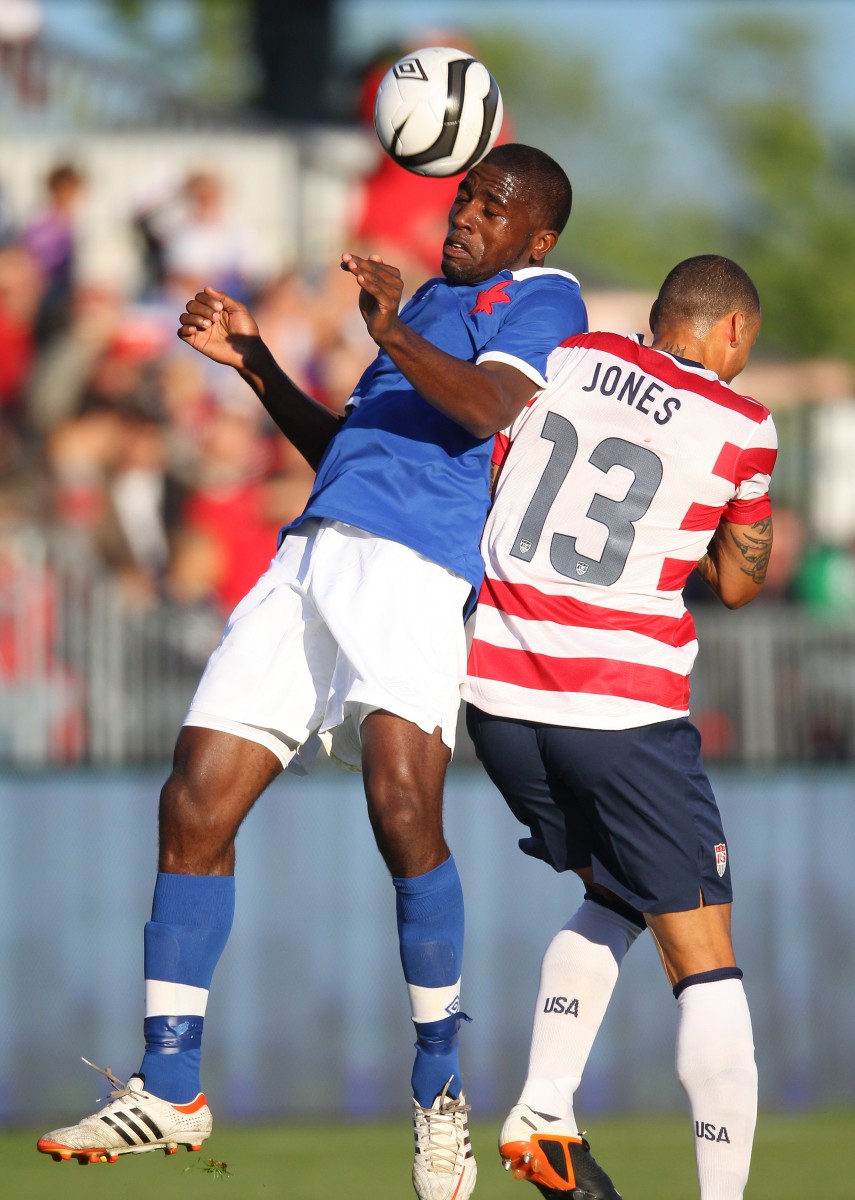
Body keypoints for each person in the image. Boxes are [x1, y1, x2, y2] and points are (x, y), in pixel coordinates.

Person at [37, 143, 587, 1200]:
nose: (467, 212)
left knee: (400, 812)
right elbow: (349, 445)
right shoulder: (425, 300)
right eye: (466, 195)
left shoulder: (545, 299)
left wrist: (383, 330)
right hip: (314, 551)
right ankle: (171, 1084)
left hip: (420, 566)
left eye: (492, 205)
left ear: (538, 235)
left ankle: (438, 1090)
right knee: (194, 797)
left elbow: (483, 410)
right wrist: (254, 363)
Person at [463, 255, 776, 1200]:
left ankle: (543, 1109)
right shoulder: (741, 422)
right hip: (621, 706)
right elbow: (735, 585)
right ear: (728, 331)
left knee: (616, 892)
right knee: (706, 958)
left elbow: (502, 477)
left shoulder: (564, 358)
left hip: (499, 693)